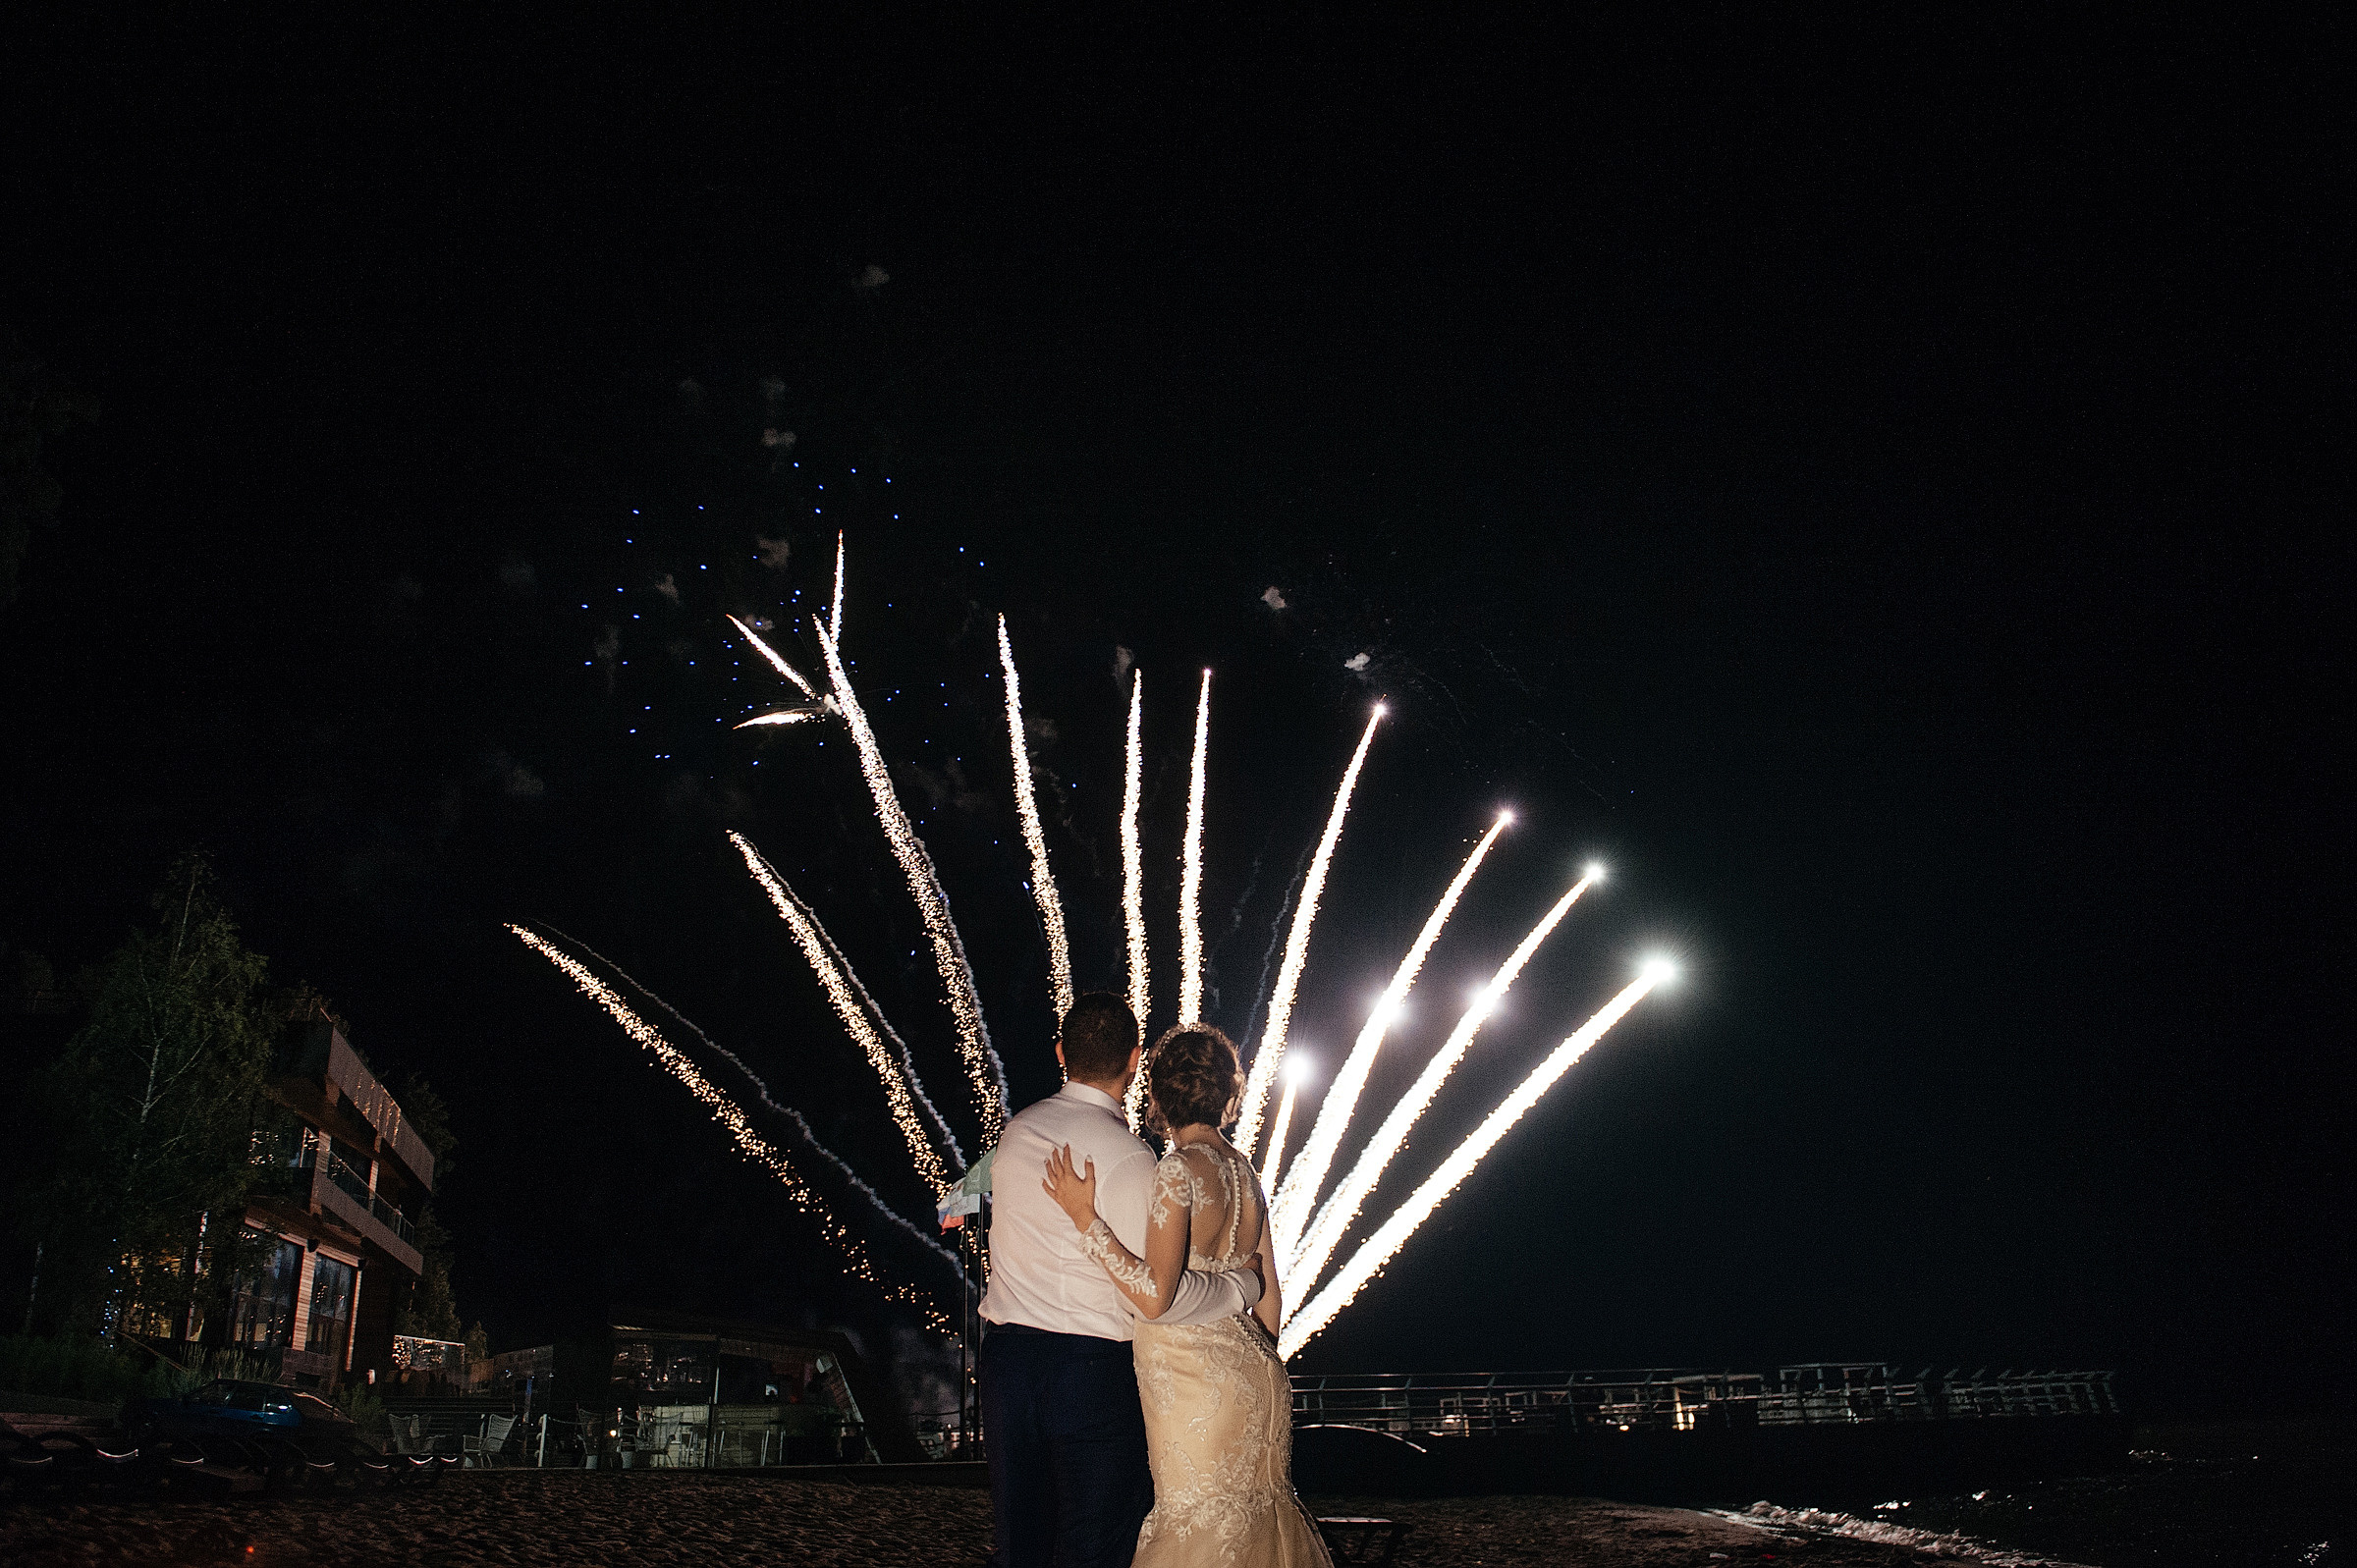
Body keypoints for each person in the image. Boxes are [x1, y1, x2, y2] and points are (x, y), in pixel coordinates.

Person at [981, 994, 1266, 1568]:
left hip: (1006, 1364)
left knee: (1020, 1541)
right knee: (1098, 1540)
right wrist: (1242, 1287)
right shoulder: (1133, 1159)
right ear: (1136, 1059)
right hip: (1090, 1370)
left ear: (1062, 1054)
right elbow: (1159, 1292)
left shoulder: (1014, 1135)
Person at [1045, 1023, 1334, 1568]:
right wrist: (1249, 1358)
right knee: (1259, 1523)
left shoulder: (1178, 1171)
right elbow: (1267, 1296)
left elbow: (1154, 1296)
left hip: (1192, 1380)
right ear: (1229, 1094)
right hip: (1257, 1376)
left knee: (1194, 1526)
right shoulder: (1246, 1174)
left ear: (1154, 1097)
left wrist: (1086, 1220)